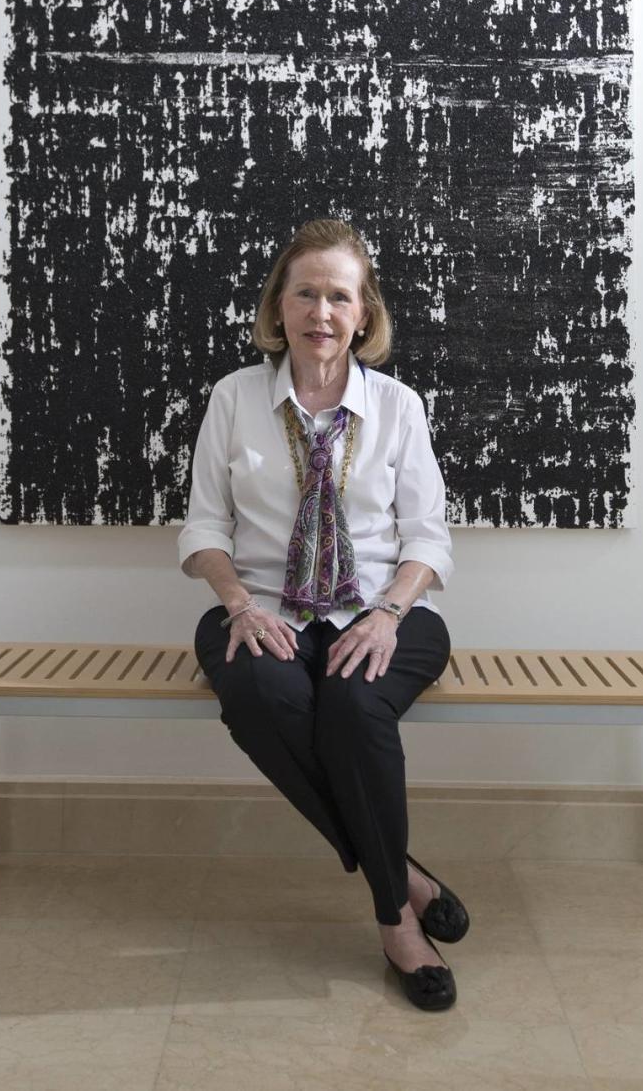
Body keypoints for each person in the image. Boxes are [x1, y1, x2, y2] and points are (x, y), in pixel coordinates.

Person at [179, 217, 468, 1010]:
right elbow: (204, 527)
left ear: (364, 313)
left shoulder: (400, 408)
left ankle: (393, 924)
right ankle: (401, 881)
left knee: (350, 706)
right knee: (262, 694)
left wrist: (386, 615)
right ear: (280, 306)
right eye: (304, 292)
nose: (321, 311)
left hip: (383, 611)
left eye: (339, 295)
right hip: (260, 608)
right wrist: (237, 602)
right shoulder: (234, 398)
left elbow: (428, 540)